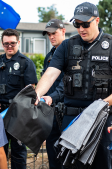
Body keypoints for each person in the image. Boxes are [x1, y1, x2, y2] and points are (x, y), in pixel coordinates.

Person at [35, 2, 112, 169]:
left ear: (97, 20)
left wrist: (104, 103)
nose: (81, 28)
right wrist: (36, 95)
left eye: (85, 24)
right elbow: (50, 74)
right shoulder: (67, 46)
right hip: (72, 120)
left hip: (103, 120)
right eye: (77, 24)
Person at [0, 28, 38, 169]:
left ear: (18, 42)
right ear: (2, 43)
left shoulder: (26, 63)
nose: (9, 46)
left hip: (18, 114)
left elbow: (31, 90)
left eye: (12, 43)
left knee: (18, 153)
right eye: (6, 44)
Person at [41, 19, 65, 169]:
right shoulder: (49, 57)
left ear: (63, 31)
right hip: (50, 112)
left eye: (54, 33)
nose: (51, 37)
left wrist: (53, 97)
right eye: (49, 34)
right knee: (52, 155)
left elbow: (67, 84)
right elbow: (46, 81)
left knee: (67, 156)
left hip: (67, 112)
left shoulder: (71, 53)